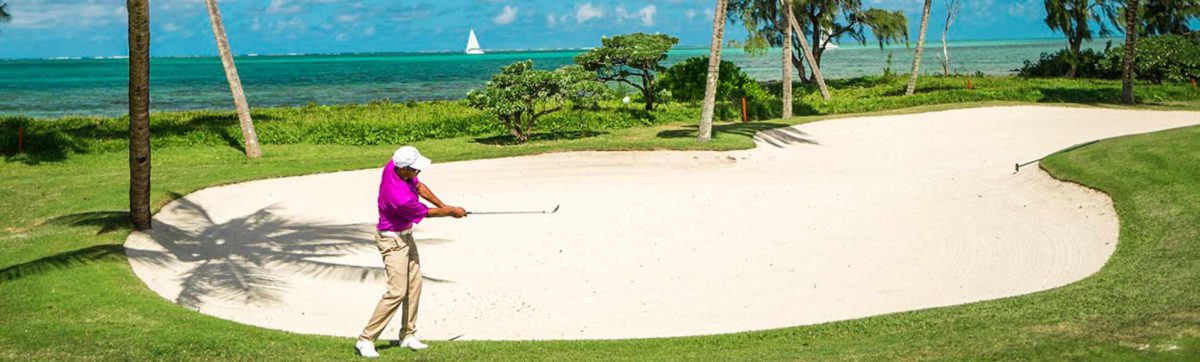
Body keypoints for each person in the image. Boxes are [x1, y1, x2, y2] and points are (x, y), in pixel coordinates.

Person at [355, 146, 467, 358]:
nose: (418, 172)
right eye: (415, 169)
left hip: (406, 237)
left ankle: (407, 335)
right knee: (396, 292)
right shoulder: (399, 197)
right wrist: (452, 212)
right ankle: (366, 339)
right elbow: (428, 214)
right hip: (392, 241)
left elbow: (420, 186)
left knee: (414, 285)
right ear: (404, 169)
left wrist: (445, 205)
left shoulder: (393, 166)